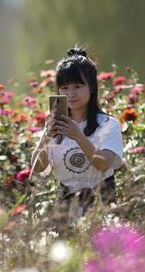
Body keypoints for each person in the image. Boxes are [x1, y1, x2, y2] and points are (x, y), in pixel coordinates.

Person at [31, 47, 124, 221]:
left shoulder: (108, 124)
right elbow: (37, 167)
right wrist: (46, 136)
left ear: (91, 88)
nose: (70, 94)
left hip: (102, 203)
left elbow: (103, 164)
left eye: (77, 86)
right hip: (66, 206)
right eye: (64, 87)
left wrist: (78, 136)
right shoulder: (56, 125)